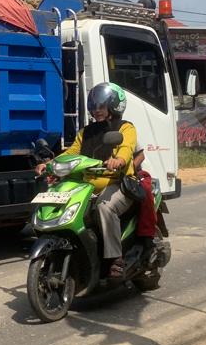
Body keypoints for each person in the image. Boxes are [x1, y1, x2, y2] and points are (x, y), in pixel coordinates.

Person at [37, 82, 138, 275]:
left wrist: (118, 160)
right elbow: (71, 152)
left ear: (114, 106)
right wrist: (50, 164)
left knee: (104, 208)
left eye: (101, 106)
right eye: (94, 106)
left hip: (117, 183)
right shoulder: (86, 132)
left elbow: (126, 148)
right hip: (87, 186)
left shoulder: (125, 128)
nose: (96, 110)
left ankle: (115, 259)